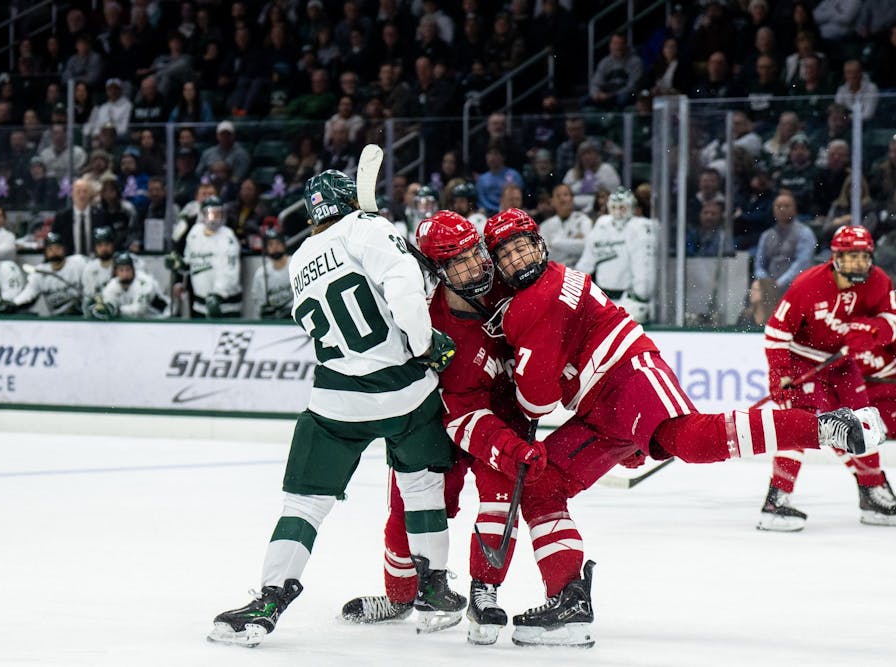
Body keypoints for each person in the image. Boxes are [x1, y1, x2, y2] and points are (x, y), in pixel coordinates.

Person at [479, 208, 884, 644]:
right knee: (545, 482)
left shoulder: (535, 299)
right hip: (598, 405)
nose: (519, 258)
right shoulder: (545, 282)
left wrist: (507, 385)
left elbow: (538, 400)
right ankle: (568, 599)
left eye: (522, 247)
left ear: (538, 244)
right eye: (508, 253)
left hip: (626, 373)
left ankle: (824, 428)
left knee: (686, 438)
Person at [208, 170, 462, 646]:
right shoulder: (369, 227)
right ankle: (434, 587)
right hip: (403, 389)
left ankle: (270, 597)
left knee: (304, 504)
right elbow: (405, 290)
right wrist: (426, 344)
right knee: (422, 484)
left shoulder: (299, 258)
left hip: (336, 397)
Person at [342, 211, 587, 647]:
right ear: (438, 272)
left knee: (499, 494)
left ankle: (483, 588)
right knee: (412, 506)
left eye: (475, 253)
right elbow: (459, 408)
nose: (475, 266)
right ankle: (401, 595)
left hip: (506, 417)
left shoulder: (507, 283)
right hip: (446, 420)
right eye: (458, 263)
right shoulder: (431, 322)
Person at [759, 225, 896, 530]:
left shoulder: (879, 281)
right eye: (851, 257)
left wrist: (872, 332)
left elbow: (891, 320)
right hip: (800, 361)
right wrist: (780, 375)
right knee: (799, 426)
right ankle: (775, 502)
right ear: (835, 257)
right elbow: (776, 333)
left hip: (841, 363)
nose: (859, 263)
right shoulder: (808, 284)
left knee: (864, 423)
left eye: (864, 256)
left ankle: (873, 494)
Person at [575, 188, 657, 323]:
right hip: (601, 297)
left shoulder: (639, 228)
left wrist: (641, 295)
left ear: (631, 207)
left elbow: (642, 266)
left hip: (628, 299)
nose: (618, 212)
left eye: (622, 208)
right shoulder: (602, 225)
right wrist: (575, 286)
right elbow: (587, 261)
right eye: (614, 207)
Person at [168, 196, 242, 319]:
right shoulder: (194, 233)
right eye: (210, 213)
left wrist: (218, 295)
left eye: (217, 214)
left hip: (225, 304)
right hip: (200, 304)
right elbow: (189, 261)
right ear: (202, 214)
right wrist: (179, 265)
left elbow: (231, 271)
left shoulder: (228, 237)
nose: (214, 218)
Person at [753, 192, 816, 292]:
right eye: (778, 206)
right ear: (773, 210)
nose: (782, 209)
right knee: (756, 289)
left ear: (795, 209)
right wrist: (765, 281)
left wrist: (779, 283)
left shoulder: (805, 233)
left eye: (786, 206)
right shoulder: (766, 235)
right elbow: (759, 265)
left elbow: (802, 264)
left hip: (797, 286)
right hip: (770, 287)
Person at [12, 232, 87, 316]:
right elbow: (28, 293)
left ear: (64, 249)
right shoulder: (40, 271)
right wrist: (13, 304)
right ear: (45, 252)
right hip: (56, 320)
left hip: (81, 316)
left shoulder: (79, 263)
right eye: (50, 249)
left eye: (58, 248)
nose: (54, 252)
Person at [94, 251, 166, 319]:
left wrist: (116, 310)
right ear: (116, 272)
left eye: (128, 269)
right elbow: (108, 304)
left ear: (133, 270)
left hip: (163, 317)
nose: (125, 274)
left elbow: (139, 310)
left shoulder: (144, 283)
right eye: (121, 270)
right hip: (139, 323)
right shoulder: (113, 284)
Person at [540, 183, 593, 268]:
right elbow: (544, 256)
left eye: (565, 195)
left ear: (572, 199)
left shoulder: (583, 220)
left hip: (579, 272)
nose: (562, 199)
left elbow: (586, 246)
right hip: (555, 274)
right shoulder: (545, 226)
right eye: (558, 196)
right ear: (552, 202)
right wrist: (572, 241)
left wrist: (554, 243)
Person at [51, 178, 107, 257]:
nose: (82, 195)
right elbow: (54, 240)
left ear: (90, 194)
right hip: (68, 262)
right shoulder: (62, 217)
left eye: (85, 191)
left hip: (94, 261)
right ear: (72, 194)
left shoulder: (101, 215)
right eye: (78, 191)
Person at [249, 228, 292, 319]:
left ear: (284, 244)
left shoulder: (295, 264)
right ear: (266, 248)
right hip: (274, 321)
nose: (275, 247)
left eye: (278, 243)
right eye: (270, 244)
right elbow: (259, 302)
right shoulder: (260, 274)